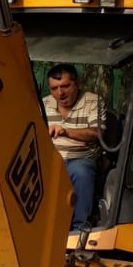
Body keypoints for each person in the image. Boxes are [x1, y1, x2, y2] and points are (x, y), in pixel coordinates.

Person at [43, 63, 101, 230]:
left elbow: (97, 134)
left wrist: (65, 132)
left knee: (81, 171)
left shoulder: (93, 101)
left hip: (81, 157)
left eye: (65, 86)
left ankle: (80, 228)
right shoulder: (44, 104)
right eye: (54, 88)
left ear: (78, 83)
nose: (59, 93)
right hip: (52, 157)